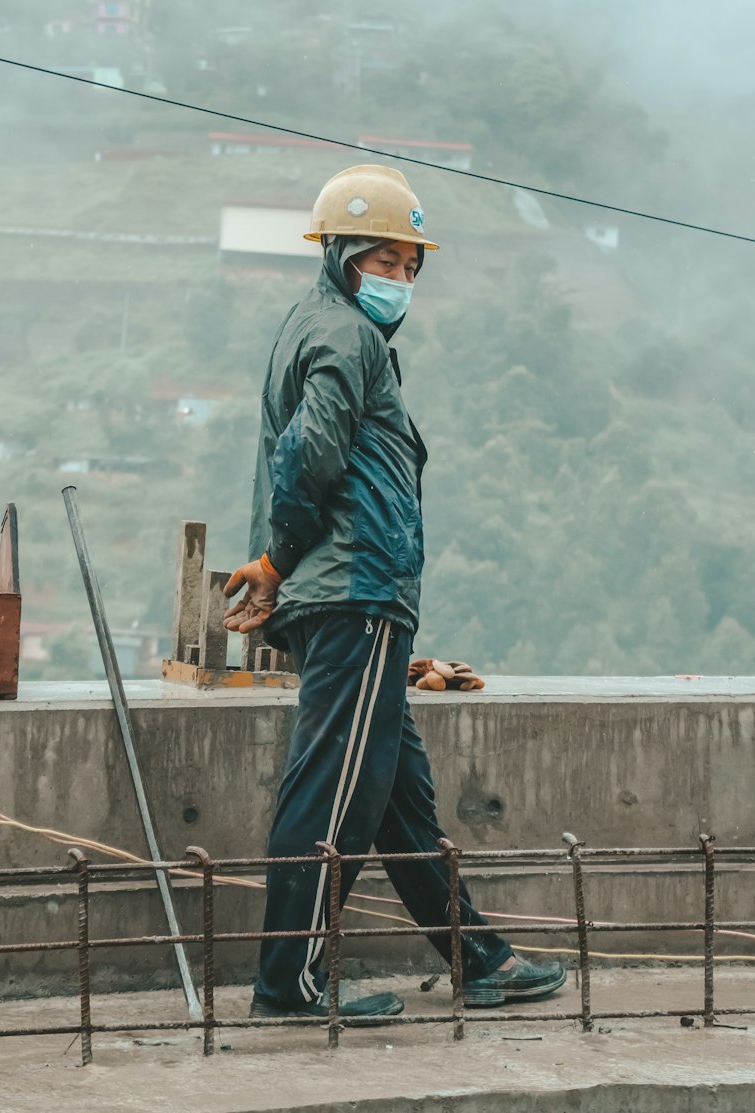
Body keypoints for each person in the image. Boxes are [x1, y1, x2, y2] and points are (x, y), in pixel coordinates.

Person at [224, 164, 567, 1020]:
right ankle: (287, 983)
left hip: (357, 595)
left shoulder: (317, 327)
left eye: (411, 266)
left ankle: (479, 957)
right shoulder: (347, 338)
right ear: (340, 256)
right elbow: (309, 457)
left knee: (396, 794)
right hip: (355, 595)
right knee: (333, 785)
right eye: (384, 259)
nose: (399, 278)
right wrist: (275, 560)